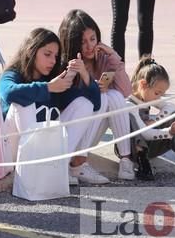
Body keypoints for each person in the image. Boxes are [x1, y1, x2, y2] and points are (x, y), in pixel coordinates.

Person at [0, 28, 108, 185]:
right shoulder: (14, 73)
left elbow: (95, 104)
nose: (53, 61)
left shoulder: (53, 79)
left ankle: (56, 167)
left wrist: (84, 73)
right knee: (23, 103)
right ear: (31, 51)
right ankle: (35, 172)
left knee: (83, 104)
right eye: (47, 54)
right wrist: (48, 88)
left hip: (44, 151)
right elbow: (9, 93)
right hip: (14, 152)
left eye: (55, 56)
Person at [58, 9, 136, 181]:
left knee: (114, 96)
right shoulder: (67, 63)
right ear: (72, 43)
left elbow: (126, 92)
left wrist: (114, 57)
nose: (89, 46)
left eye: (92, 39)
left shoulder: (102, 58)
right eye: (83, 42)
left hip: (90, 134)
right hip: (70, 135)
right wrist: (88, 83)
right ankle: (77, 164)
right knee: (101, 97)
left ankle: (125, 159)